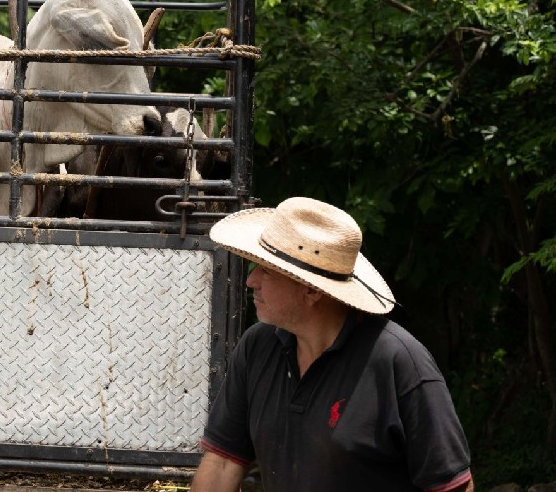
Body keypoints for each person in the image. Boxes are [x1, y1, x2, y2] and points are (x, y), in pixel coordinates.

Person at [190, 197, 474, 492]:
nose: (251, 281)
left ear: (311, 289)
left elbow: (452, 487)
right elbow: (223, 462)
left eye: (267, 270)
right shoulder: (257, 346)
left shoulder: (399, 362)